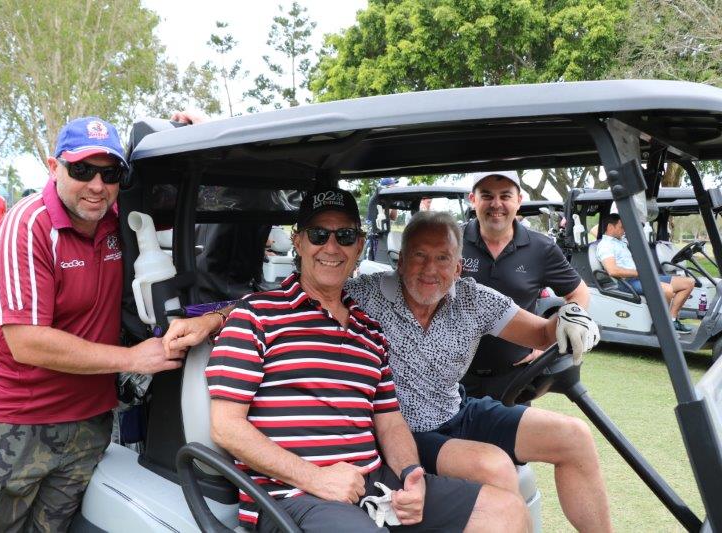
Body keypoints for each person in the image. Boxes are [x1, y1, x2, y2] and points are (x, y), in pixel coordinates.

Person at [166, 208, 609, 532]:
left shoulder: (366, 326)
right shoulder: (358, 297)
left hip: (441, 422)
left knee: (566, 444)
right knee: (495, 465)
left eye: (442, 259)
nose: (430, 269)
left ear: (459, 266)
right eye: (419, 257)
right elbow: (229, 419)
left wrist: (566, 321)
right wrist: (212, 316)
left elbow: (540, 333)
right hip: (318, 479)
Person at [0, 117, 184, 532]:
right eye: (82, 170)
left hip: (89, 422)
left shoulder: (119, 220)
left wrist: (190, 125)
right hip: (17, 421)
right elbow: (28, 342)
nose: (97, 185)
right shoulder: (29, 224)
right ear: (53, 166)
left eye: (109, 173)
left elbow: (199, 196)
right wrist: (132, 357)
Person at [460, 171, 590, 399]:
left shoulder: (542, 248)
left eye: (505, 196)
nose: (496, 204)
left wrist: (545, 346)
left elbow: (579, 293)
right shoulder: (451, 241)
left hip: (514, 379)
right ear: (473, 199)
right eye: (487, 195)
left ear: (519, 201)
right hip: (454, 377)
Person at [597, 213, 695, 333]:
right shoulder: (605, 245)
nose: (624, 230)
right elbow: (612, 271)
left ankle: (672, 320)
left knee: (688, 283)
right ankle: (663, 326)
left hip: (640, 278)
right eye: (622, 227)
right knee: (667, 290)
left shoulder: (620, 241)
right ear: (610, 227)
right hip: (627, 283)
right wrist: (639, 273)